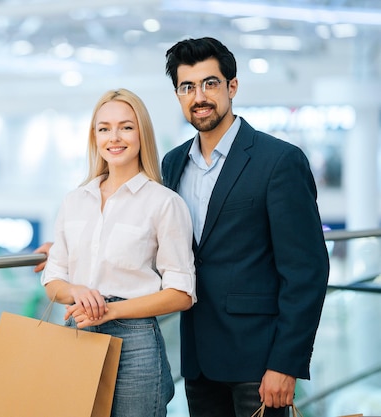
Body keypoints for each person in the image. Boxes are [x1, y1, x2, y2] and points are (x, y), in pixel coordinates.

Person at [161, 37, 330, 416]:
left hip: (260, 362)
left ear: (232, 87)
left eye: (210, 83)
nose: (199, 96)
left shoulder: (279, 161)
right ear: (178, 94)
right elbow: (147, 233)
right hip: (199, 360)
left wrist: (286, 363)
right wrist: (66, 249)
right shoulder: (173, 164)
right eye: (187, 87)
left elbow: (306, 270)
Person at [40, 88, 196, 417]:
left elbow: (181, 293)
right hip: (78, 332)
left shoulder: (164, 203)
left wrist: (112, 312)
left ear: (142, 134)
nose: (115, 137)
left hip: (135, 340)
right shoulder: (74, 201)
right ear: (94, 137)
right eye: (104, 128)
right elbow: (53, 279)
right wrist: (75, 290)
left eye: (126, 126)